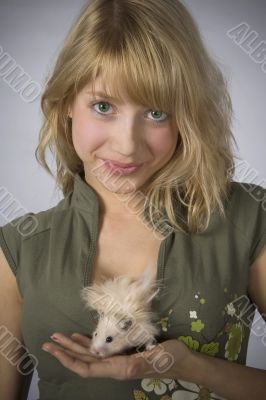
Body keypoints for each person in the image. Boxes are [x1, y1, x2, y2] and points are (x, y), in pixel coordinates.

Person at [0, 0, 266, 399]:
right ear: (67, 104)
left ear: (187, 114)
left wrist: (190, 365)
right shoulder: (18, 250)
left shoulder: (248, 219)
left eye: (157, 112)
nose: (127, 146)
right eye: (103, 106)